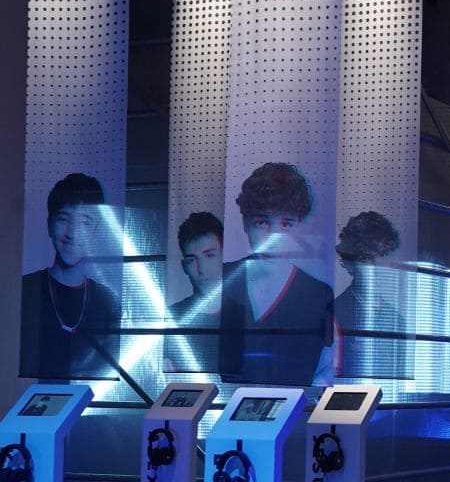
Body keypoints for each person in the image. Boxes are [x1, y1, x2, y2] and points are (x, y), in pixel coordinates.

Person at [219, 163, 334, 387]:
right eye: (262, 222)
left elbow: (324, 372)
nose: (273, 238)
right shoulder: (220, 280)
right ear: (245, 223)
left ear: (299, 227)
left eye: (286, 224)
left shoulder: (319, 296)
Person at [20, 173, 121, 379]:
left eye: (85, 221)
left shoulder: (109, 302)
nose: (73, 233)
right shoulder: (24, 290)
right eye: (63, 219)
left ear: (97, 230)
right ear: (49, 225)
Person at [333, 211, 409, 379]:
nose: (376, 266)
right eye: (367, 259)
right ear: (350, 264)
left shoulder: (398, 321)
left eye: (382, 255)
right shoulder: (334, 315)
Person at [164, 212, 223, 373]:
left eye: (210, 255)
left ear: (224, 256)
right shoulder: (170, 318)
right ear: (184, 267)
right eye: (192, 260)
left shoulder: (247, 315)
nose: (202, 269)